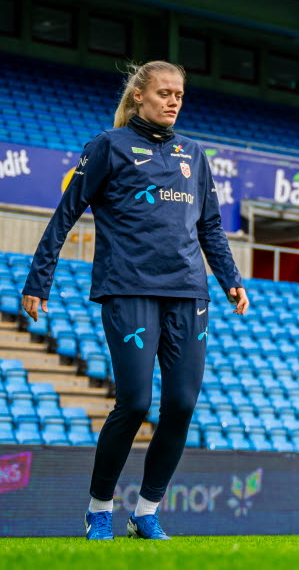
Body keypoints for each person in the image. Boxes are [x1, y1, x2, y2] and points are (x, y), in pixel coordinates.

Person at [21, 61, 247, 541]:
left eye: (179, 95)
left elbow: (209, 225)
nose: (172, 101)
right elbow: (66, 215)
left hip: (189, 291)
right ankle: (98, 508)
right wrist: (39, 281)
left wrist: (231, 278)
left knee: (182, 403)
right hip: (129, 288)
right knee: (135, 400)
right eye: (164, 92)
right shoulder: (109, 145)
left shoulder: (195, 153)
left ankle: (146, 511)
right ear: (139, 95)